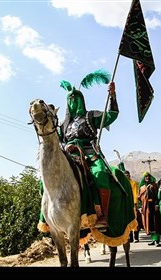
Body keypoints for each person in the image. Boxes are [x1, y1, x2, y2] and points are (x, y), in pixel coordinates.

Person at [58, 79, 118, 229]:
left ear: (81, 100)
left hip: (90, 155)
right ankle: (51, 219)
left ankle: (102, 215)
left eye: (76, 98)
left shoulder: (91, 116)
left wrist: (112, 96)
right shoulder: (64, 125)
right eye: (70, 99)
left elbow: (112, 115)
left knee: (100, 175)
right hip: (69, 156)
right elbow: (57, 141)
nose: (73, 101)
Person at [138, 172, 161, 246]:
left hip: (153, 207)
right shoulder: (142, 187)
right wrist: (140, 207)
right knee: (149, 224)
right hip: (146, 207)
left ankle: (157, 240)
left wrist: (156, 204)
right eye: (145, 176)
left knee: (155, 223)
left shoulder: (154, 185)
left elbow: (157, 196)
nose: (147, 178)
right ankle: (153, 239)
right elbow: (139, 198)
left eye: (148, 176)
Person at [124, 170, 141, 243]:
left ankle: (136, 237)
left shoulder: (133, 183)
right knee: (127, 221)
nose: (126, 176)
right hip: (125, 204)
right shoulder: (122, 183)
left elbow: (135, 194)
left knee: (134, 219)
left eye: (127, 175)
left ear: (129, 175)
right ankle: (130, 237)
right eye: (125, 175)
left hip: (132, 204)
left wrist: (135, 203)